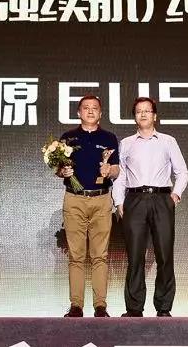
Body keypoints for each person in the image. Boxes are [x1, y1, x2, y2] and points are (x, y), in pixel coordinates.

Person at [113, 97, 188, 318]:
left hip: (162, 199)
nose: (143, 114)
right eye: (139, 111)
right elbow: (120, 176)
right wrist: (119, 201)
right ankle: (134, 308)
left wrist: (175, 195)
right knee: (135, 256)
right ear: (134, 117)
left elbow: (182, 172)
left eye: (147, 111)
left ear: (155, 116)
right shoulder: (126, 143)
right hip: (134, 199)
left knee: (164, 254)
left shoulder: (168, 141)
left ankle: (164, 307)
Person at [57, 94, 120, 317]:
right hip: (74, 199)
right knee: (76, 255)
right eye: (86, 107)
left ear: (101, 113)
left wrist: (109, 170)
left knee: (100, 255)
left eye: (94, 108)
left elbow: (116, 169)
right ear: (78, 112)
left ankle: (100, 306)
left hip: (101, 199)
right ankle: (76, 305)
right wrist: (63, 171)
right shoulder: (68, 138)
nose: (90, 111)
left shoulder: (109, 138)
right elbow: (59, 169)